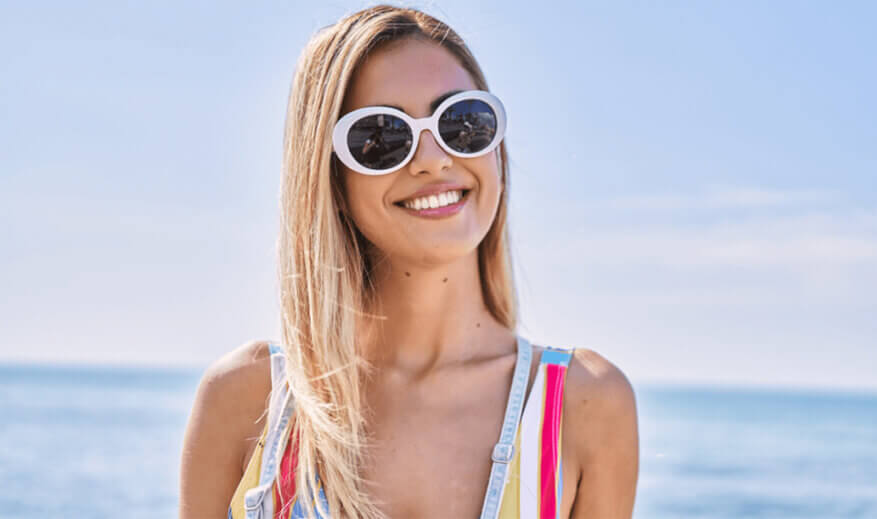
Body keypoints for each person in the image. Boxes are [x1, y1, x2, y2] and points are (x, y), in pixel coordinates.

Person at [179, 5, 638, 519]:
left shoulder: (583, 405)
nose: (434, 158)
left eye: (462, 123)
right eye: (382, 138)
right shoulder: (248, 401)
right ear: (329, 179)